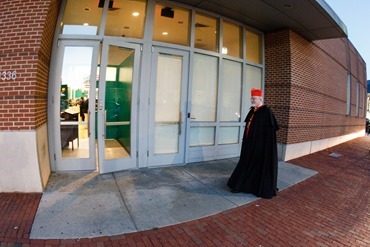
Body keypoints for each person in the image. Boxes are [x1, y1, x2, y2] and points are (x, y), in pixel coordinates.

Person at [227, 88, 279, 199]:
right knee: (245, 164)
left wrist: (263, 147)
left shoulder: (266, 112)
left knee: (256, 167)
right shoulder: (252, 111)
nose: (252, 100)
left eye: (254, 98)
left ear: (260, 98)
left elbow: (269, 134)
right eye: (251, 98)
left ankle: (252, 187)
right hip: (249, 145)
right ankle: (240, 185)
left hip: (260, 147)